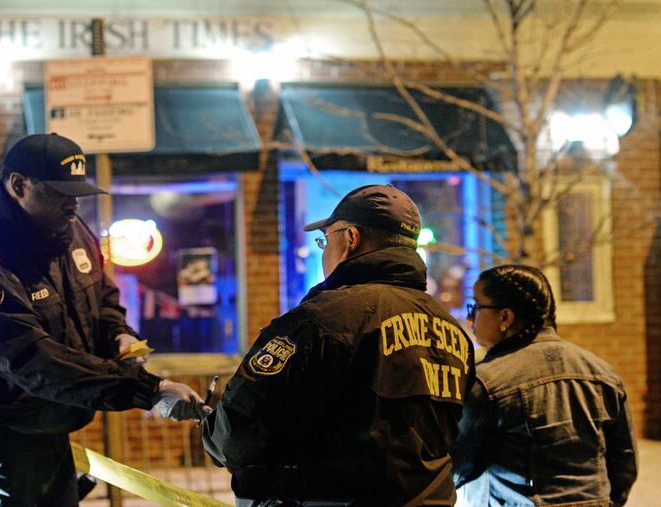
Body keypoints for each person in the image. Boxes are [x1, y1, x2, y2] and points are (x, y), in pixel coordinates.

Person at [0, 133, 208, 506]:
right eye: (59, 191)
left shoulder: (71, 232)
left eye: (77, 193)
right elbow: (27, 356)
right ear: (18, 185)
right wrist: (147, 390)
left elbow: (102, 300)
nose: (73, 204)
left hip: (44, 421)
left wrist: (119, 337)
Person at [203, 184, 476, 506]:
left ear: (350, 239)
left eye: (325, 240)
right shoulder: (449, 329)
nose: (324, 251)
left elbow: (236, 434)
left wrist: (212, 429)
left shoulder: (321, 320)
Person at [452, 265, 637, 506]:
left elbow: (456, 466)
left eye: (476, 307)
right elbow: (624, 465)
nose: (470, 317)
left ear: (505, 317)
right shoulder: (603, 373)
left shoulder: (487, 383)